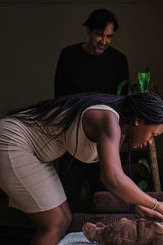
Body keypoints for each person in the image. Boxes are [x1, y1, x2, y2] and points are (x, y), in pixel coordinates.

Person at [0, 92, 163, 245]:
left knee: (64, 219)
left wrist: (137, 206)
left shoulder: (117, 127)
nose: (149, 142)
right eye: (152, 135)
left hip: (31, 152)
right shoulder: (109, 120)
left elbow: (112, 178)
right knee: (54, 223)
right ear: (139, 120)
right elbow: (113, 178)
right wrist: (157, 205)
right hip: (10, 141)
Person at [54, 8, 129, 212]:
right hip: (72, 136)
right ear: (88, 30)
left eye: (109, 36)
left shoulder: (119, 60)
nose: (103, 41)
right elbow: (59, 98)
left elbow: (122, 104)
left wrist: (118, 141)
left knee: (105, 195)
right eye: (99, 34)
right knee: (69, 194)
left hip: (104, 137)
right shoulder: (69, 55)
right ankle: (65, 241)